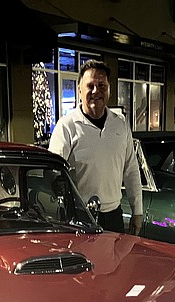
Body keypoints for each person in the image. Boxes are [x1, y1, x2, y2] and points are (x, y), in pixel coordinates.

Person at [48, 60, 143, 235]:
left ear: (109, 90)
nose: (95, 91)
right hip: (79, 216)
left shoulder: (120, 124)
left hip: (114, 215)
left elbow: (131, 170)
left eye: (101, 86)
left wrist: (137, 211)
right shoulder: (66, 126)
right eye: (90, 86)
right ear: (79, 90)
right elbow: (52, 173)